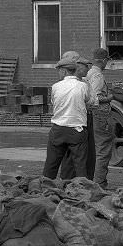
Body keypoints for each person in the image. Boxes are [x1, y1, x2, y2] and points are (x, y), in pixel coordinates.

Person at [43, 51, 93, 180]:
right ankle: (82, 190)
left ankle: (45, 188)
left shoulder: (55, 87)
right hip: (77, 130)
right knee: (80, 166)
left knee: (51, 164)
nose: (58, 73)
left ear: (64, 71)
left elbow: (54, 103)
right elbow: (90, 102)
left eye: (58, 71)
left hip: (58, 129)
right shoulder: (83, 86)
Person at [85, 48, 115, 188]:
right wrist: (110, 97)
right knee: (103, 150)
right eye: (107, 61)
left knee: (95, 149)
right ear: (104, 60)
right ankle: (100, 183)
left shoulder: (89, 73)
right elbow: (95, 97)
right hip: (101, 114)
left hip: (92, 115)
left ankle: (93, 180)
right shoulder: (97, 75)